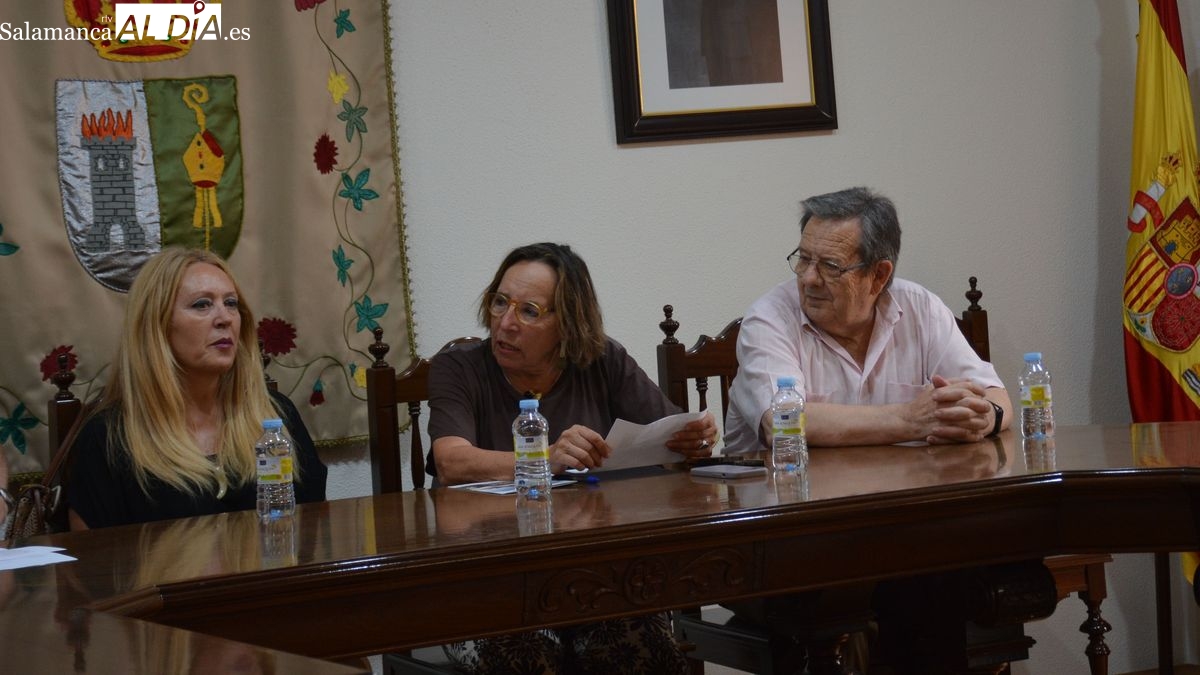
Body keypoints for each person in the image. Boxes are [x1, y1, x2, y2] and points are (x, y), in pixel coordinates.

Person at [427, 242, 718, 675]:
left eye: (529, 311)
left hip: (594, 578)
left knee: (648, 653)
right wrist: (543, 459)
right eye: (500, 302)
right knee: (527, 660)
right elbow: (452, 462)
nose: (505, 323)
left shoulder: (603, 360)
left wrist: (694, 438)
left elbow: (669, 434)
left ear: (568, 324)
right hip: (488, 584)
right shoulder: (459, 368)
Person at [724, 186, 1011, 453]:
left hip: (907, 484)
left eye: (830, 266)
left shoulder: (920, 308)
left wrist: (983, 418)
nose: (809, 278)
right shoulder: (769, 319)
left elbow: (995, 395)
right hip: (792, 488)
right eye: (804, 259)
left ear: (879, 275)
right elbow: (782, 422)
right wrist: (911, 419)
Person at [66, 248, 327, 530]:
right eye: (202, 304)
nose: (225, 318)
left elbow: (314, 533)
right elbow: (91, 555)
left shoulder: (276, 415)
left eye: (231, 303)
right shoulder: (108, 437)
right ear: (157, 325)